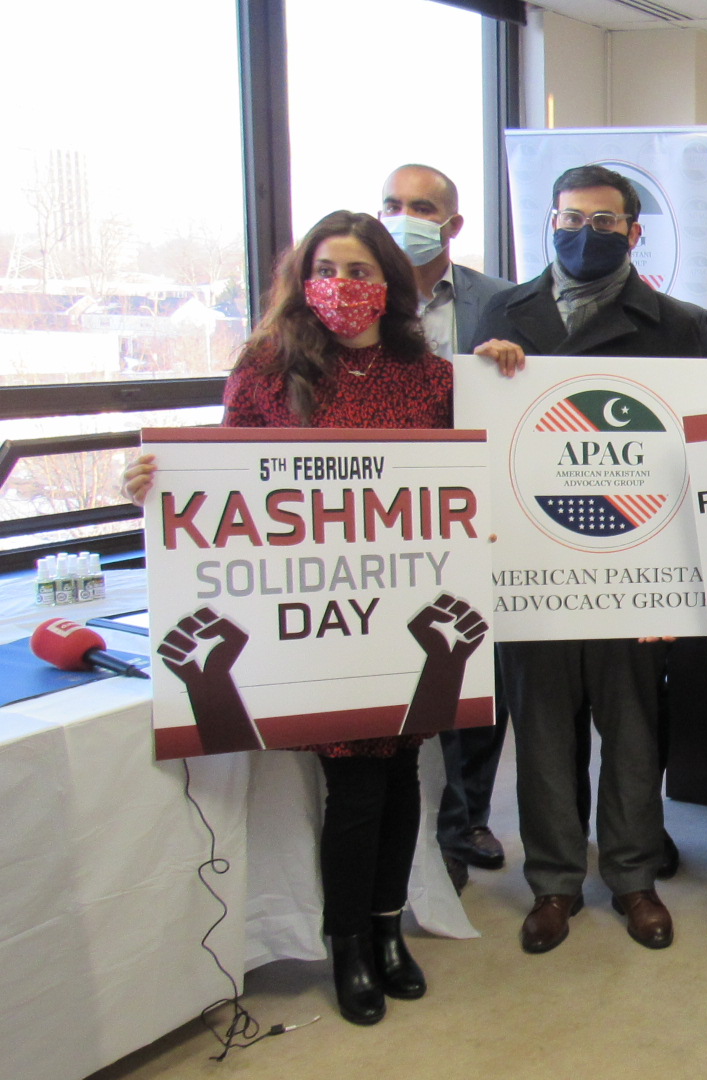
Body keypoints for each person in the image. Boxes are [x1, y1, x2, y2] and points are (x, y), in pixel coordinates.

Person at [123, 211, 514, 1025]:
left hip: (405, 610)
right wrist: (155, 482)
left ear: (392, 284)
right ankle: (351, 945)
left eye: (364, 269)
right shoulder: (267, 368)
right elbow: (226, 477)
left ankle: (386, 929)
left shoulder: (428, 373)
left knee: (402, 775)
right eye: (330, 267)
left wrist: (504, 368)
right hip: (319, 617)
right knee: (356, 786)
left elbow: (479, 462)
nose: (347, 285)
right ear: (304, 279)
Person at [473, 163, 707, 955]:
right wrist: (487, 376)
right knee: (541, 736)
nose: (588, 233)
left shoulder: (681, 324)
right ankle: (553, 885)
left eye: (607, 223)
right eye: (572, 218)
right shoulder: (497, 311)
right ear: (549, 222)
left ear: (635, 233)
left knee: (635, 735)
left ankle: (633, 877)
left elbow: (694, 452)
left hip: (635, 566)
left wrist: (676, 589)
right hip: (532, 566)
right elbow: (467, 435)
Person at [376, 163, 516, 893]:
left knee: (473, 670)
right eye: (393, 204)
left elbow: (526, 390)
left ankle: (467, 821)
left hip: (476, 507)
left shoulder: (499, 300)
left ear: (453, 223)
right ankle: (414, 830)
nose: (406, 216)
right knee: (403, 670)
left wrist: (507, 363)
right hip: (384, 517)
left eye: (422, 207)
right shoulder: (364, 298)